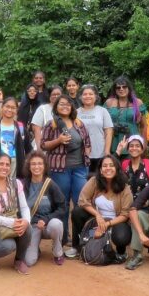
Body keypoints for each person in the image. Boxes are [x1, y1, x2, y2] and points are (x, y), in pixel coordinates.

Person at [41, 94, 91, 244]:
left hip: (80, 169)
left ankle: (79, 238)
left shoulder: (79, 123)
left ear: (72, 107)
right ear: (56, 106)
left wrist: (86, 152)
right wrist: (59, 140)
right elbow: (43, 145)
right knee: (62, 203)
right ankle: (62, 238)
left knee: (80, 203)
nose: (65, 106)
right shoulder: (52, 125)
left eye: (68, 104)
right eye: (61, 104)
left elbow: (87, 142)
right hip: (59, 169)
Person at [66, 155, 133, 260]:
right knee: (77, 212)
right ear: (101, 170)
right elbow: (82, 200)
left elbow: (125, 215)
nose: (108, 168)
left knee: (121, 237)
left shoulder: (125, 187)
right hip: (96, 222)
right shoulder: (94, 181)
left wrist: (107, 224)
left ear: (117, 168)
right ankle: (77, 247)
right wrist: (97, 215)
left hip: (116, 222)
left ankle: (121, 252)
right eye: (105, 166)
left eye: (111, 165)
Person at [22, 151, 65, 266]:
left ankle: (58, 252)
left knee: (56, 224)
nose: (37, 167)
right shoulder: (24, 185)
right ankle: (35, 248)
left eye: (40, 164)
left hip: (48, 225)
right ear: (29, 166)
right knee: (29, 261)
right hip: (32, 226)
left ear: (45, 166)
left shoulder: (50, 184)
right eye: (33, 164)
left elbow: (62, 207)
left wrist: (46, 219)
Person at [0, 97, 31, 179]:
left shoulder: (21, 128)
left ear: (16, 110)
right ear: (2, 107)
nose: (9, 109)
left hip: (16, 167)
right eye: (7, 106)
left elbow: (29, 150)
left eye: (13, 108)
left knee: (14, 190)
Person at [104, 76, 148, 157]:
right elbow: (104, 126)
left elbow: (143, 126)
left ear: (129, 88)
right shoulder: (109, 103)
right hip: (113, 142)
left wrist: (144, 144)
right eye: (118, 87)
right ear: (115, 89)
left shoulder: (138, 103)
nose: (121, 89)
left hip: (132, 142)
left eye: (124, 86)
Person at [77, 84, 113, 174]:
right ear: (81, 97)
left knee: (100, 180)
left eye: (91, 94)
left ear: (96, 96)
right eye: (85, 94)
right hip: (81, 154)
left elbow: (109, 131)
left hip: (100, 153)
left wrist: (107, 151)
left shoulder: (102, 111)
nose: (87, 96)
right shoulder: (75, 112)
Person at [115, 135, 149, 200]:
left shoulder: (148, 164)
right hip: (125, 204)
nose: (134, 148)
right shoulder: (124, 164)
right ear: (128, 149)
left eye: (137, 146)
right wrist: (118, 151)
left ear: (142, 149)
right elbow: (109, 166)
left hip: (144, 206)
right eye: (131, 146)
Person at [31, 85, 63, 149]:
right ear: (49, 96)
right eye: (53, 94)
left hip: (61, 148)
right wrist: (39, 149)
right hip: (44, 147)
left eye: (58, 94)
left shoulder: (66, 109)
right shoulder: (43, 109)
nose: (56, 96)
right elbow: (37, 129)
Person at [17, 83, 40, 148]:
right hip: (22, 133)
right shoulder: (23, 105)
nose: (32, 92)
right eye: (29, 91)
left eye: (34, 91)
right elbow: (19, 121)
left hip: (35, 135)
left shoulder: (40, 105)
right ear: (26, 92)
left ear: (37, 92)